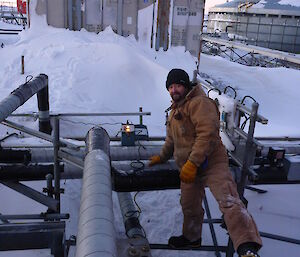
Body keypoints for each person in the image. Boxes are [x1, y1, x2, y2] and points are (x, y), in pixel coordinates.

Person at [149, 69, 262, 257]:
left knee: (228, 199)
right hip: (189, 167)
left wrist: (193, 163)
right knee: (189, 204)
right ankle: (192, 238)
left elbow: (207, 134)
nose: (174, 90)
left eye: (177, 85)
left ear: (186, 86)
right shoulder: (175, 110)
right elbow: (171, 140)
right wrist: (162, 156)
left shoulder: (200, 103)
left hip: (211, 162)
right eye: (170, 87)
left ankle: (247, 245)